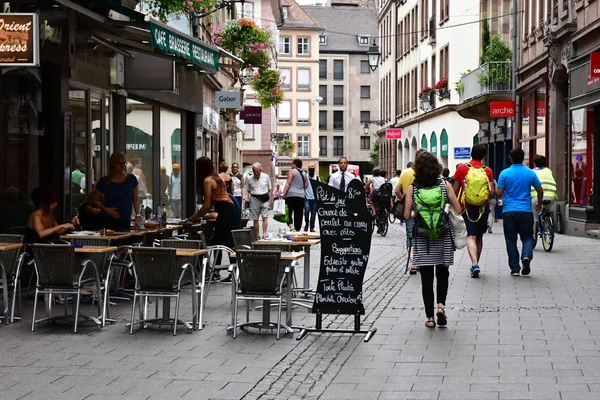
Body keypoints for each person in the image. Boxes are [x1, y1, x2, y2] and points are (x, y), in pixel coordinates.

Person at [403, 152, 462, 329]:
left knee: (426, 279)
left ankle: (430, 318)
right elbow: (458, 209)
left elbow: (407, 216)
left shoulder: (412, 188)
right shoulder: (445, 185)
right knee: (443, 274)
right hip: (443, 236)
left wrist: (415, 212)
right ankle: (441, 307)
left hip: (423, 239)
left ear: (417, 168)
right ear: (436, 167)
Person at [497, 148, 544, 276]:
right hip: (526, 211)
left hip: (509, 211)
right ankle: (526, 256)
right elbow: (540, 190)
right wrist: (539, 203)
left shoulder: (504, 173)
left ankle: (515, 268)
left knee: (511, 240)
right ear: (523, 158)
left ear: (510, 158)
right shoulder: (530, 173)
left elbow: (499, 193)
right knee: (528, 237)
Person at [188, 157, 235, 280]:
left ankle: (230, 272)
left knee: (224, 241)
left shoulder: (208, 180)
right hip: (229, 209)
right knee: (222, 241)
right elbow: (214, 202)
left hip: (224, 210)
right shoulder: (216, 178)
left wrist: (194, 217)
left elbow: (207, 204)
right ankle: (219, 272)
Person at [452, 144, 494, 278]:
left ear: (471, 154)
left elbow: (455, 190)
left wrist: (453, 206)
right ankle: (475, 264)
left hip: (466, 207)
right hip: (483, 207)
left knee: (471, 235)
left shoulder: (462, 168)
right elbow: (491, 191)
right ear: (483, 156)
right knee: (480, 236)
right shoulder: (487, 170)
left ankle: (474, 263)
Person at [395, 149, 427, 275]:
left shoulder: (406, 172)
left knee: (411, 235)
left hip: (410, 207)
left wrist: (404, 198)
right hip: (424, 209)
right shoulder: (427, 173)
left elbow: (397, 190)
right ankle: (421, 260)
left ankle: (414, 263)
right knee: (423, 234)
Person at [95, 152, 140, 231]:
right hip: (107, 219)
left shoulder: (131, 179)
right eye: (119, 163)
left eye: (124, 163)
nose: (122, 166)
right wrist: (106, 209)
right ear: (113, 164)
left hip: (125, 220)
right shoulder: (104, 181)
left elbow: (135, 199)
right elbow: (94, 200)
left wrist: (138, 215)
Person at [531, 154, 558, 236]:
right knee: (546, 209)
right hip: (551, 196)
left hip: (537, 197)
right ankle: (547, 221)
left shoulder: (532, 172)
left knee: (535, 217)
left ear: (534, 163)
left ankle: (533, 236)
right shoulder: (549, 171)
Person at [243, 162, 272, 239]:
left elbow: (269, 188)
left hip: (264, 198)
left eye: (258, 172)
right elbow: (248, 190)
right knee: (255, 218)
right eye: (254, 171)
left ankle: (264, 234)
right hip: (254, 199)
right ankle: (257, 235)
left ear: (261, 170)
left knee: (265, 217)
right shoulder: (249, 179)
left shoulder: (266, 177)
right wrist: (255, 195)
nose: (256, 173)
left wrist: (263, 194)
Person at [283, 159, 308, 232]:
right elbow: (306, 185)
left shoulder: (292, 171)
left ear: (295, 164)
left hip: (291, 195)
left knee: (288, 212)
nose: (291, 165)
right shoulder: (304, 174)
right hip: (301, 196)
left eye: (292, 164)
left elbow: (288, 183)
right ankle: (297, 229)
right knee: (299, 213)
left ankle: (291, 226)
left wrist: (283, 193)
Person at [304, 164, 321, 232]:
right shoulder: (306, 178)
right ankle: (307, 224)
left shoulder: (317, 178)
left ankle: (311, 227)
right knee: (306, 212)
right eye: (310, 170)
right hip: (307, 198)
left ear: (314, 170)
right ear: (308, 170)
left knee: (313, 214)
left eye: (312, 170)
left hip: (314, 199)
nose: (311, 171)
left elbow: (320, 188)